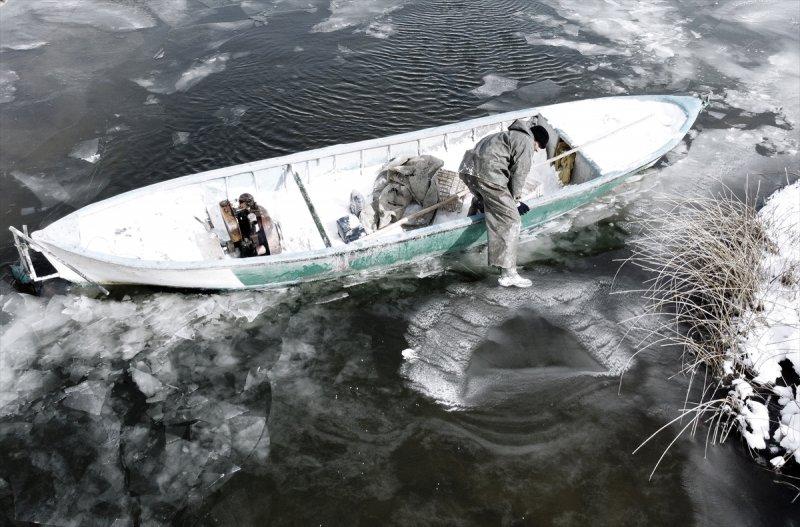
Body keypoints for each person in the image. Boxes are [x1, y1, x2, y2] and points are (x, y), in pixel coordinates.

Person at [458, 119, 549, 288]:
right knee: (511, 220)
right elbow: (519, 174)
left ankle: (469, 240)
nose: (535, 151)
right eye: (537, 148)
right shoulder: (526, 142)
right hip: (488, 175)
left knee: (484, 200)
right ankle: (509, 273)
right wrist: (515, 201)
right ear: (536, 140)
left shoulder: (505, 135)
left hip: (467, 170)